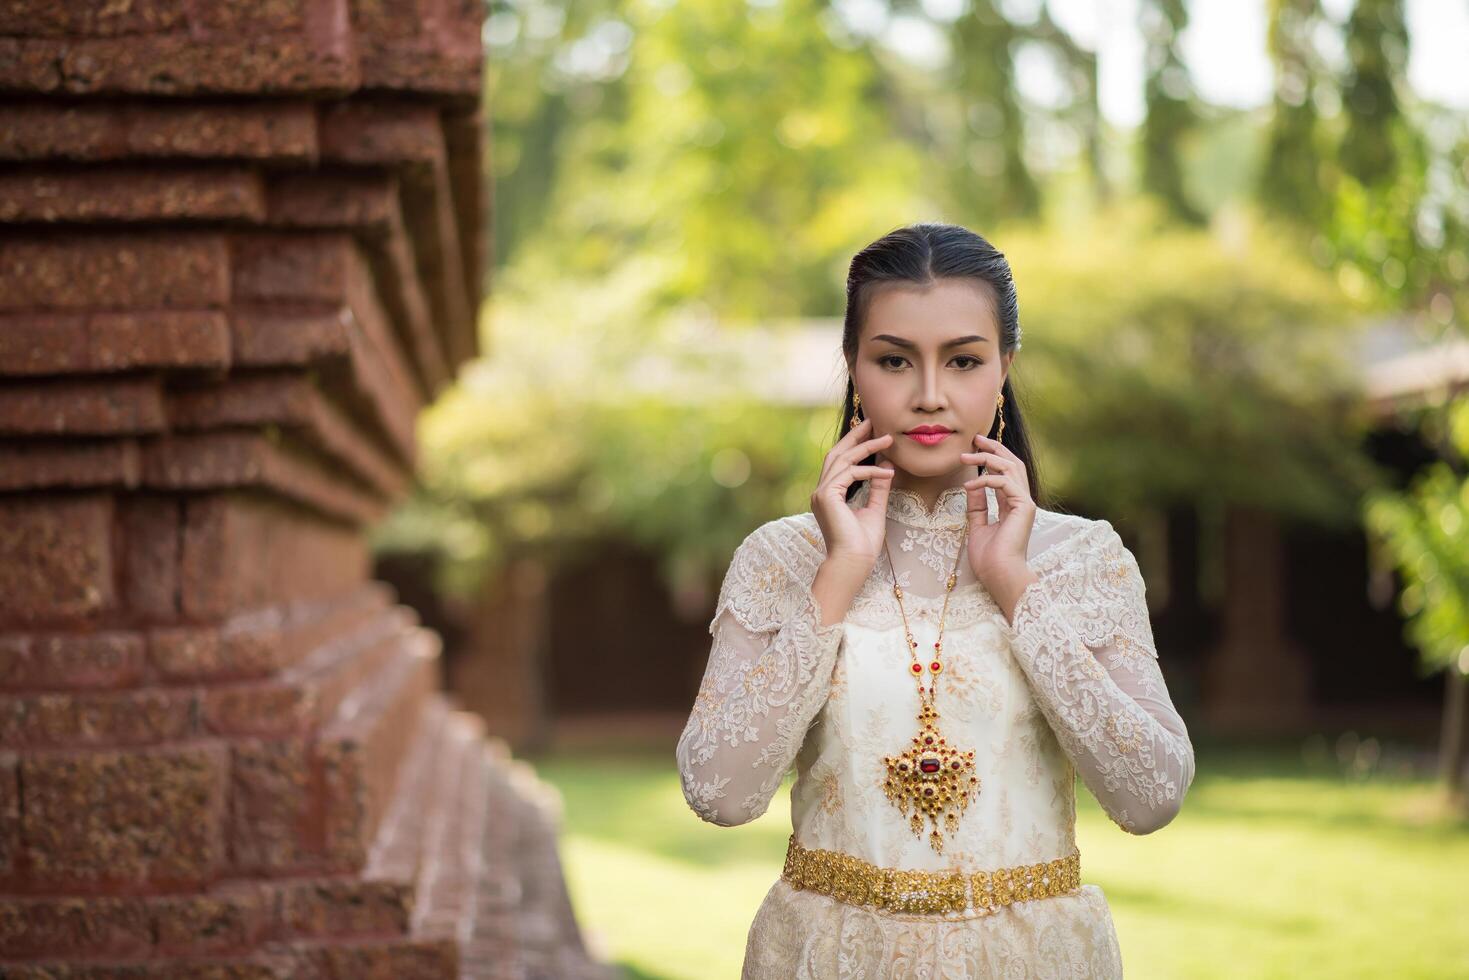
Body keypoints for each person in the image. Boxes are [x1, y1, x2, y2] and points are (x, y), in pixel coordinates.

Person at [674, 222, 1195, 978]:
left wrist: (1016, 588)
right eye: (893, 360)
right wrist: (838, 574)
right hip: (830, 958)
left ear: (1003, 368)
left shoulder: (1082, 558)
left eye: (962, 360)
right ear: (853, 368)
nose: (928, 395)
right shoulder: (783, 558)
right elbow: (717, 792)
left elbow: (1150, 796)